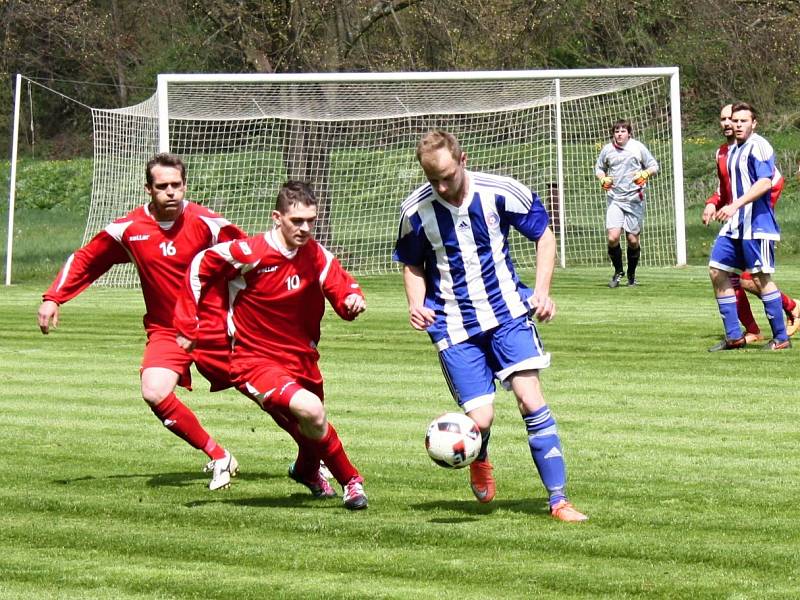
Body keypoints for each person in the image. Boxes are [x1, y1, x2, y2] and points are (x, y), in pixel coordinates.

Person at [393, 129, 587, 522]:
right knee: (481, 420)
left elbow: (544, 237)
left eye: (448, 175)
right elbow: (411, 262)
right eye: (434, 180)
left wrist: (543, 292)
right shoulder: (415, 211)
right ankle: (479, 455)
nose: (443, 187)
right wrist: (415, 304)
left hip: (508, 313)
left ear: (462, 159)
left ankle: (558, 500)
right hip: (453, 324)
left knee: (530, 399)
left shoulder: (500, 192)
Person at [37, 153, 246, 490]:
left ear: (185, 185)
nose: (170, 192)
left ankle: (315, 456)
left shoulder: (209, 224)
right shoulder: (129, 230)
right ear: (148, 189)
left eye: (176, 185)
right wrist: (53, 297)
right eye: (162, 186)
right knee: (153, 391)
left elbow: (250, 257)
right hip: (167, 330)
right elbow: (87, 260)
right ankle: (219, 455)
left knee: (266, 391)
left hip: (213, 326)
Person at [173, 181, 368, 510]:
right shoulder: (250, 253)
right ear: (277, 218)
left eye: (311, 220)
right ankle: (352, 482)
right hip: (255, 359)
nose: (305, 228)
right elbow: (199, 266)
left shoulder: (316, 255)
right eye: (297, 221)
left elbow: (342, 288)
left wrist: (351, 301)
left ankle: (305, 471)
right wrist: (188, 323)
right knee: (311, 411)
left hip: (303, 359)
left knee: (311, 425)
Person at [702, 103, 800, 341]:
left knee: (756, 278)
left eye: (739, 120)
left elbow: (767, 183)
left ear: (754, 123)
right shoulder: (729, 152)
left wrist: (736, 205)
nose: (732, 124)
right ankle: (735, 337)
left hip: (756, 225)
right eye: (729, 120)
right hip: (734, 226)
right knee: (718, 270)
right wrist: (713, 202)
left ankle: (780, 337)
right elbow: (727, 189)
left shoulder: (760, 146)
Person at [595, 119, 659, 287]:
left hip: (634, 200)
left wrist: (645, 174)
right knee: (613, 237)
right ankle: (618, 271)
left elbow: (654, 166)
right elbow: (599, 168)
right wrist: (603, 179)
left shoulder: (637, 147)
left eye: (623, 131)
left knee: (632, 240)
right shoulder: (607, 150)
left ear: (629, 133)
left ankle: (631, 273)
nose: (619, 134)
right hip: (615, 199)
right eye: (616, 131)